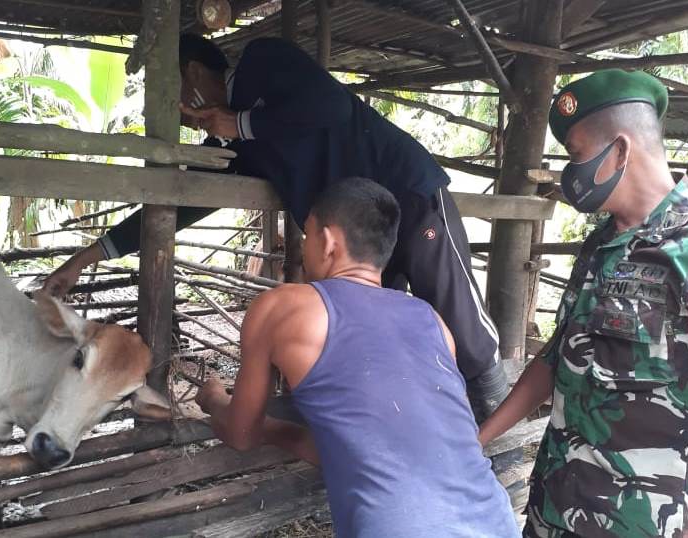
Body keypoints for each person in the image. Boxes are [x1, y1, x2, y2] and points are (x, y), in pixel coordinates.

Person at [42, 34, 509, 422]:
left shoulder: (262, 62)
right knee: (377, 336)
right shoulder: (243, 146)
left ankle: (494, 412)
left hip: (408, 194)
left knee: (457, 314)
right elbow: (181, 206)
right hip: (363, 242)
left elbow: (332, 107)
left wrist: (241, 121)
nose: (184, 111)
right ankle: (414, 426)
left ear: (195, 73)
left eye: (179, 96)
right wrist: (83, 259)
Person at [195, 177, 519, 538]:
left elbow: (241, 434)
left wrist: (214, 401)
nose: (303, 250)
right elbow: (367, 450)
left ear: (329, 242)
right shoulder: (433, 321)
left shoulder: (283, 307)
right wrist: (280, 433)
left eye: (307, 237)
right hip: (496, 521)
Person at [478, 69, 688, 537]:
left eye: (576, 155)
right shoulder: (600, 244)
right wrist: (479, 437)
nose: (570, 172)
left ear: (620, 150)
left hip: (644, 520)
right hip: (556, 507)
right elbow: (559, 355)